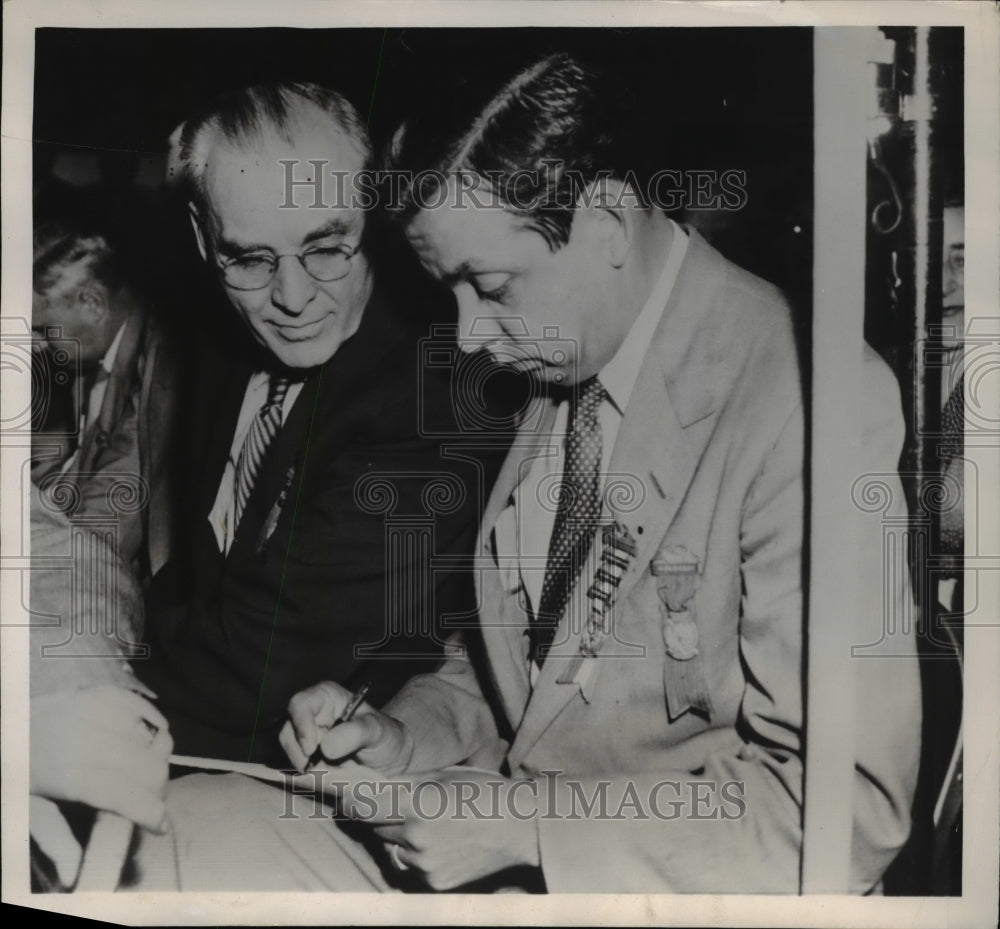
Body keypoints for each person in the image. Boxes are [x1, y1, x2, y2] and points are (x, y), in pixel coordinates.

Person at [133, 54, 921, 894]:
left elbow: (843, 819)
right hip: (516, 852)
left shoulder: (806, 399)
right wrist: (403, 735)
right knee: (179, 833)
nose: (468, 336)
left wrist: (529, 831)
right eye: (454, 291)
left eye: (491, 286)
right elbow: (522, 669)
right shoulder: (567, 353)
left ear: (609, 223)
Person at [134, 82, 495, 766]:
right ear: (202, 239)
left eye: (327, 248)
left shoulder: (431, 404)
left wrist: (59, 693)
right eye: (249, 258)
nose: (292, 299)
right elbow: (195, 578)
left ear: (374, 215)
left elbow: (256, 668)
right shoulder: (219, 342)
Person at [31, 216, 179, 577]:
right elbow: (74, 460)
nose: (36, 344)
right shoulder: (90, 353)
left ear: (93, 303)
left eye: (41, 329)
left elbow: (109, 519)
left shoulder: (163, 371)